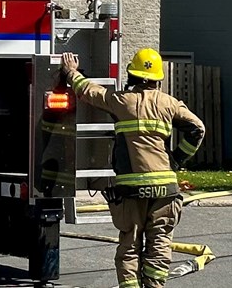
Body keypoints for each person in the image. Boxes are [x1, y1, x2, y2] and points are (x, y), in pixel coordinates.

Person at [63, 49, 205, 288]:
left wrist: (71, 72)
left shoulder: (121, 102)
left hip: (132, 191)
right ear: (158, 79)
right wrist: (176, 159)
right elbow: (197, 129)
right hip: (165, 190)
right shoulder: (169, 103)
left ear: (132, 76)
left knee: (130, 246)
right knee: (159, 245)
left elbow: (89, 92)